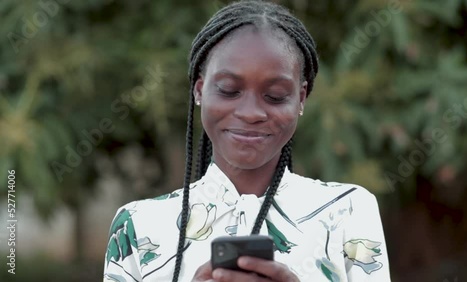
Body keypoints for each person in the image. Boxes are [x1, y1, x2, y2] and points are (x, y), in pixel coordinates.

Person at [103, 1, 391, 281]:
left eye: (275, 95)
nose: (251, 113)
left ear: (301, 98)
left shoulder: (348, 212)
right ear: (200, 91)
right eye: (229, 90)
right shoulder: (138, 226)